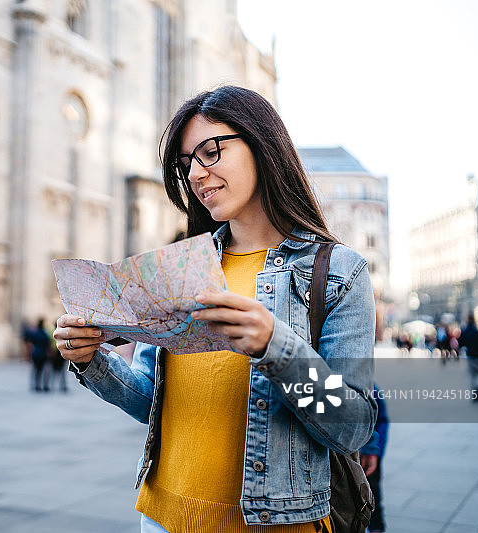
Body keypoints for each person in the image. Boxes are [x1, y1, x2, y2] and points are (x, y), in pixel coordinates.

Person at [53, 86, 377, 532]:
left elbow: (352, 426)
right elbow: (153, 399)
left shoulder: (339, 271)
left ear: (261, 144)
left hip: (275, 523)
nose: (197, 175)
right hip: (162, 515)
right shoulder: (181, 266)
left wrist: (275, 347)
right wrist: (92, 361)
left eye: (210, 152)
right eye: (186, 165)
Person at [360, 385, 389, 533]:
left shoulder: (371, 389)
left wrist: (375, 451)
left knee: (374, 498)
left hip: (369, 456)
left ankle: (376, 528)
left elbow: (381, 421)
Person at [458, 313, 478, 402]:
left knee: (473, 375)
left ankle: (474, 392)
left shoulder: (464, 331)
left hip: (470, 356)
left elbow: (461, 343)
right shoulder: (477, 331)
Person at [25, 318, 51, 392]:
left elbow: (30, 344)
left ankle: (37, 385)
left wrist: (28, 354)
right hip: (43, 354)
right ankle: (45, 385)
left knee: (36, 370)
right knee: (44, 370)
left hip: (36, 353)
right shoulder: (45, 334)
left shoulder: (35, 333)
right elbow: (48, 345)